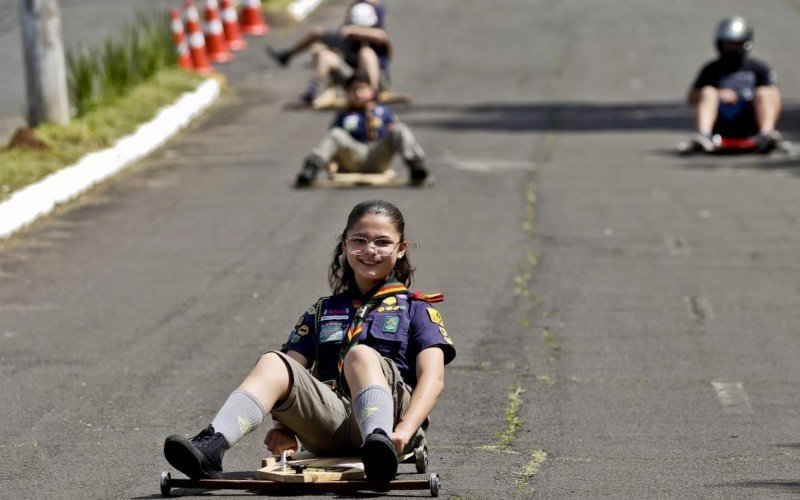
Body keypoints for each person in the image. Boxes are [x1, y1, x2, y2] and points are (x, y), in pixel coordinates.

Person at [163, 200, 456, 482]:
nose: (370, 250)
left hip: (392, 423)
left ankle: (378, 448)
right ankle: (213, 445)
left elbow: (433, 377)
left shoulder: (417, 309)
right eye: (359, 241)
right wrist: (285, 427)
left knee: (360, 356)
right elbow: (288, 376)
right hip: (332, 421)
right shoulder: (323, 311)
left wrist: (404, 431)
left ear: (401, 249)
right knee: (273, 361)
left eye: (382, 242)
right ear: (345, 246)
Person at [294, 73, 429, 187]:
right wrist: (332, 163)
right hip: (354, 157)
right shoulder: (344, 114)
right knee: (336, 134)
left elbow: (393, 132)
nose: (358, 94)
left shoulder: (382, 111)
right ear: (348, 94)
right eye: (354, 90)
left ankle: (416, 166)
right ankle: (311, 168)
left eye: (362, 89)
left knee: (400, 129)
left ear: (371, 91)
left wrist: (391, 129)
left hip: (378, 154)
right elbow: (333, 142)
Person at [686, 16, 782, 153]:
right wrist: (717, 93)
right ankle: (704, 135)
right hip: (722, 121)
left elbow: (775, 97)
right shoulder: (711, 69)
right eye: (727, 44)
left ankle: (766, 134)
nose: (731, 48)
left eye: (735, 44)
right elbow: (691, 98)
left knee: (766, 92)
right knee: (707, 91)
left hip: (749, 119)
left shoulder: (759, 69)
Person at [267, 1, 391, 104]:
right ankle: (311, 91)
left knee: (366, 53)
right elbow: (325, 36)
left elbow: (382, 37)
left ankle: (373, 94)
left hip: (374, 83)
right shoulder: (347, 37)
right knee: (325, 55)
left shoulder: (376, 41)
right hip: (351, 82)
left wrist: (355, 30)